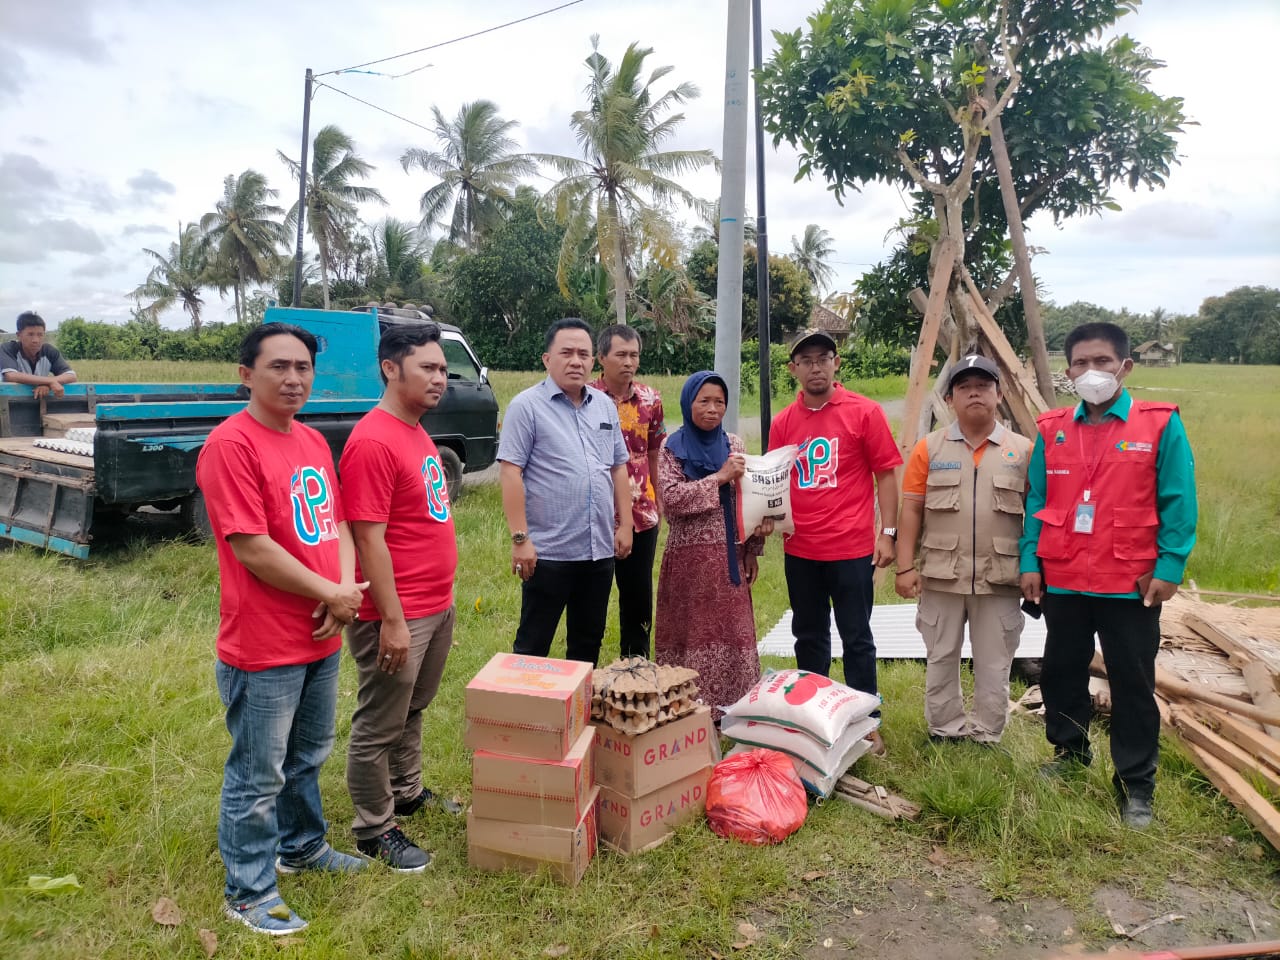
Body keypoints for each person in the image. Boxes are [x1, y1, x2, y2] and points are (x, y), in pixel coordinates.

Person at [196, 323, 368, 936]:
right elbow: (251, 547)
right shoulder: (231, 445)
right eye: (279, 367)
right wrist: (333, 594)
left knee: (307, 756)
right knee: (257, 772)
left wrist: (342, 594)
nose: (294, 378)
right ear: (246, 375)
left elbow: (340, 526)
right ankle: (248, 890)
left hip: (321, 630)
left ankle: (303, 847)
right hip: (264, 643)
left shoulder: (313, 442)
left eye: (303, 367)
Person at [1020, 322, 1197, 830]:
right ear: (1068, 369)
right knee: (1061, 671)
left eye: (1102, 362)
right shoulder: (1052, 427)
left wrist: (1170, 565)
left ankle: (1136, 784)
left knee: (1133, 681)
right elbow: (1036, 500)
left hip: (1131, 582)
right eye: (1080, 363)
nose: (1091, 372)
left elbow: (1179, 499)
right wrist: (1030, 561)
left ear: (1125, 367)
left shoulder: (1159, 424)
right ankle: (1069, 754)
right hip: (1066, 578)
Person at [339, 323, 459, 874]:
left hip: (434, 603)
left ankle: (406, 791)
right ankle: (373, 827)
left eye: (442, 369)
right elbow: (367, 537)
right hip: (397, 612)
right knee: (379, 720)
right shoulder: (373, 439)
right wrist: (389, 618)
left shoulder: (416, 430)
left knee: (413, 706)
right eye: (429, 368)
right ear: (391, 368)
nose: (441, 378)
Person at [768, 330, 902, 755]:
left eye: (823, 358)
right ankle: (815, 719)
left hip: (851, 548)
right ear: (793, 369)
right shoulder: (784, 422)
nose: (815, 367)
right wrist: (765, 520)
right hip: (800, 548)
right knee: (808, 636)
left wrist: (889, 533)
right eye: (805, 360)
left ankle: (866, 723)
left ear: (836, 362)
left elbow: (886, 476)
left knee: (857, 636)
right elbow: (772, 478)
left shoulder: (865, 412)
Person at [895, 355, 1034, 744]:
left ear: (999, 394)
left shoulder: (1023, 451)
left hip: (1001, 578)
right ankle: (945, 728)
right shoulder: (929, 449)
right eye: (964, 387)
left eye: (984, 385)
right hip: (942, 575)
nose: (974, 392)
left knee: (995, 661)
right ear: (951, 398)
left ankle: (988, 733)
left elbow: (1037, 517)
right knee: (941, 657)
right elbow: (912, 511)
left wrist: (1033, 568)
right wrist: (905, 568)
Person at [498, 317, 633, 666]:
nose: (576, 361)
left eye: (584, 354)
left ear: (593, 360)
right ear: (547, 359)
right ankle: (523, 717)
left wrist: (625, 525)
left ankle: (578, 717)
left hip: (597, 551)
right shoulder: (526, 406)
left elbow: (618, 466)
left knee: (587, 645)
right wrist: (520, 539)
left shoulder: (604, 406)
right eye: (567, 353)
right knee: (533, 644)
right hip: (549, 553)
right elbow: (511, 471)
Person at [655, 371, 767, 719]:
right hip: (688, 564)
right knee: (690, 636)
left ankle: (736, 712)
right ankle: (688, 712)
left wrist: (753, 549)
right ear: (689, 403)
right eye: (704, 400)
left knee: (733, 635)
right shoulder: (672, 447)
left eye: (719, 401)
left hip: (728, 561)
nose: (712, 408)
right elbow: (671, 499)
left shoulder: (735, 445)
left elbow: (748, 499)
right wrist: (718, 477)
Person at [590, 324, 666, 659]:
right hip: (597, 512)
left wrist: (659, 498)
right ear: (601, 357)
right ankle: (585, 667)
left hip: (642, 512)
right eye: (620, 354)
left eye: (634, 355)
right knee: (593, 593)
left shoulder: (651, 399)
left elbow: (654, 450)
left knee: (637, 594)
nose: (628, 362)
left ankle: (636, 664)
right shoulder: (586, 398)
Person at [1, 311, 77, 399]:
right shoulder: (8, 349)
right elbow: (11, 376)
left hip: (39, 401)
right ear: (19, 335)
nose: (35, 340)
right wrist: (50, 382)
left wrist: (47, 385)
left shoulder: (49, 351)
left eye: (40, 335)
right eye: (30, 334)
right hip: (8, 402)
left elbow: (71, 376)